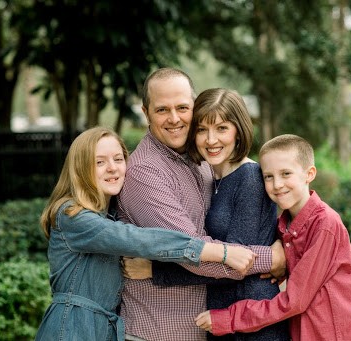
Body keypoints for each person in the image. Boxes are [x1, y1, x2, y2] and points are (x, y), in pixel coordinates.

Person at [33, 126, 257, 341]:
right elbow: (136, 239)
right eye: (99, 162)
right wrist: (220, 251)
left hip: (105, 328)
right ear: (81, 169)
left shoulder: (108, 214)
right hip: (72, 326)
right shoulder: (73, 215)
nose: (112, 168)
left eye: (118, 159)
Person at [117, 68, 286, 341]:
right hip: (161, 332)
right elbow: (192, 252)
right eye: (162, 110)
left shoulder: (210, 164)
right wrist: (272, 257)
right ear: (145, 112)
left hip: (239, 322)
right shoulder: (145, 172)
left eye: (182, 107)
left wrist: (283, 251)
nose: (174, 119)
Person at [195, 134, 351, 341]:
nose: (277, 184)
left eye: (286, 173)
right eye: (268, 176)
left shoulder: (325, 225)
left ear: (309, 174)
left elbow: (294, 301)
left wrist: (229, 318)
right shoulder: (284, 226)